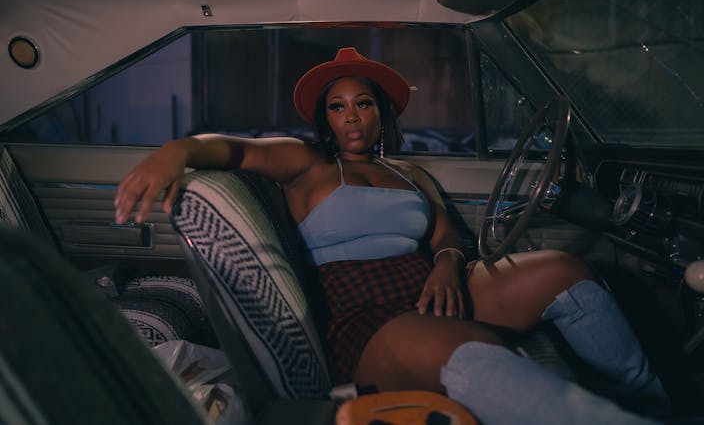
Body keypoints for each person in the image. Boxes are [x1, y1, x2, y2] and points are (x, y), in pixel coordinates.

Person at [115, 47, 669, 423]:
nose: (352, 117)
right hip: (362, 311)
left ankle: (650, 403)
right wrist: (176, 152)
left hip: (436, 284)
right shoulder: (305, 163)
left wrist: (449, 261)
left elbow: (446, 231)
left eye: (364, 104)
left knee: (566, 272)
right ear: (325, 121)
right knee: (472, 350)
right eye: (338, 107)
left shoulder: (411, 174)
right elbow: (235, 150)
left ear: (383, 114)